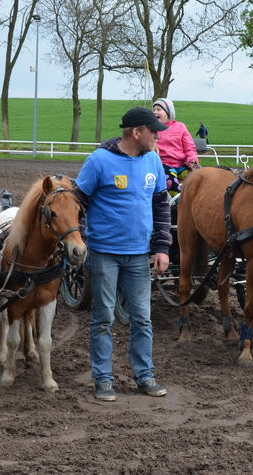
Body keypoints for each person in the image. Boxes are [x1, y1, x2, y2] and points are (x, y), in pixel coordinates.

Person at [74, 106, 172, 402]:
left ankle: (145, 375)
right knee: (103, 317)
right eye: (153, 131)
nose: (157, 135)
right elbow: (77, 202)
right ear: (136, 132)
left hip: (139, 254)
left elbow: (161, 205)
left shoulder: (153, 161)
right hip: (104, 253)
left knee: (142, 318)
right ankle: (103, 378)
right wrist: (81, 239)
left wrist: (162, 247)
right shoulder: (99, 161)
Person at [152, 98, 199, 195]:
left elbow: (189, 147)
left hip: (182, 164)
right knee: (170, 181)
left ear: (168, 112)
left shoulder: (180, 127)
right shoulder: (153, 129)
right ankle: (177, 204)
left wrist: (192, 160)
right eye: (154, 110)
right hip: (164, 164)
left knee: (200, 177)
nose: (155, 112)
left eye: (158, 109)